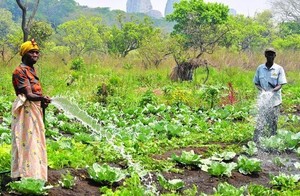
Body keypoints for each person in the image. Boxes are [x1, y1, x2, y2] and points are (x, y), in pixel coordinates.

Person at [11, 39, 51, 181]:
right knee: (26, 140)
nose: (35, 55)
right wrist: (42, 98)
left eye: (37, 52)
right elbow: (28, 95)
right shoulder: (20, 71)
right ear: (24, 54)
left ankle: (35, 173)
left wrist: (42, 101)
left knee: (35, 140)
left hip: (34, 108)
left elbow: (35, 93)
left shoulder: (30, 69)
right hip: (26, 109)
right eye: (32, 52)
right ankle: (25, 174)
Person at [253, 48, 287, 144]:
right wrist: (263, 91)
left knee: (273, 122)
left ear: (275, 56)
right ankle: (257, 140)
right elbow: (256, 83)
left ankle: (272, 141)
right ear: (265, 55)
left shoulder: (279, 69)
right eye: (268, 54)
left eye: (272, 54)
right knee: (261, 120)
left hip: (274, 101)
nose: (270, 56)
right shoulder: (260, 68)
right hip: (263, 100)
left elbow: (280, 84)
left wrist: (271, 91)